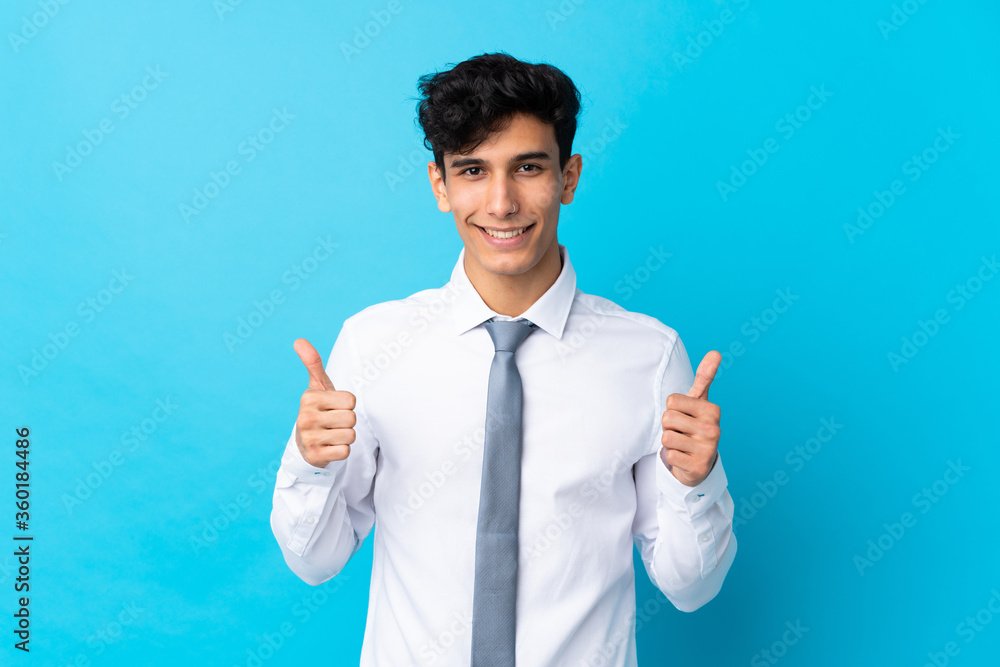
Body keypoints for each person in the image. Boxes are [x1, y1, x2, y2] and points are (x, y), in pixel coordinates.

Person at [270, 51, 737, 666]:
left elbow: (692, 588)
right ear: (440, 185)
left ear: (568, 177)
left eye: (527, 167)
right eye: (471, 171)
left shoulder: (649, 357)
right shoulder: (372, 344)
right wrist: (311, 466)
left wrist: (697, 483)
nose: (500, 203)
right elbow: (314, 562)